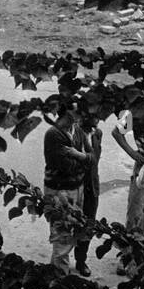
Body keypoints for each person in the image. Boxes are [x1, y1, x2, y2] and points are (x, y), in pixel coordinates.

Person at [42, 101, 91, 274]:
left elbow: (91, 158)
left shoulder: (76, 130)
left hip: (76, 187)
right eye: (77, 111)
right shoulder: (53, 134)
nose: (82, 115)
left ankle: (58, 271)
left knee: (70, 231)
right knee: (62, 236)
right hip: (60, 190)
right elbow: (67, 166)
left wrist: (81, 157)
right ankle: (59, 278)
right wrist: (83, 159)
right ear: (67, 111)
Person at [73, 115, 103, 276]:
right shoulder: (70, 133)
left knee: (88, 223)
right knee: (66, 223)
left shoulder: (97, 133)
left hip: (91, 185)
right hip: (72, 185)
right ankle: (59, 263)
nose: (98, 117)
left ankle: (80, 260)